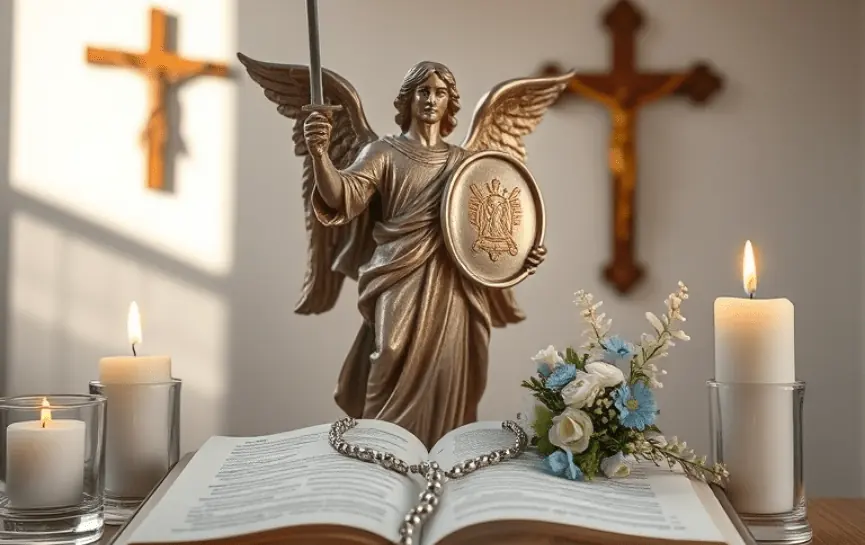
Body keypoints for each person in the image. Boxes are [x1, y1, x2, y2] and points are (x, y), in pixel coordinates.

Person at [303, 61, 545, 447]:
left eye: (440, 92)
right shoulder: (383, 151)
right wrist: (320, 156)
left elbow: (489, 232)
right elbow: (343, 197)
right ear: (408, 98)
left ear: (450, 103)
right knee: (389, 354)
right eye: (423, 91)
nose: (431, 99)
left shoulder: (466, 162)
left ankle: (445, 457)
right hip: (398, 276)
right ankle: (382, 453)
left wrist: (519, 258)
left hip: (455, 287)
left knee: (451, 370)